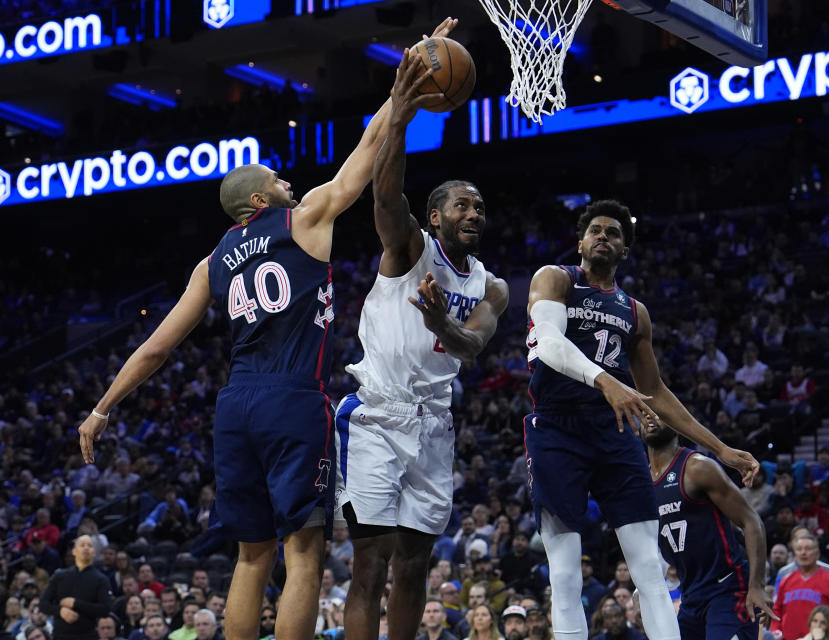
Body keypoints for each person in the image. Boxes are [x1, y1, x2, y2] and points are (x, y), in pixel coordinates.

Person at [73, 19, 460, 640]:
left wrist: (102, 408)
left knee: (250, 556)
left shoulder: (210, 262)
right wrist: (403, 90)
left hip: (235, 408)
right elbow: (366, 151)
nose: (289, 183)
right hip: (291, 401)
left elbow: (155, 348)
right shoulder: (301, 219)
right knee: (303, 553)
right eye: (278, 180)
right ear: (259, 202)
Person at [334, 35, 509, 640]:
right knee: (370, 564)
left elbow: (472, 347)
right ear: (435, 217)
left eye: (480, 207)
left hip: (435, 423)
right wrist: (400, 118)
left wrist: (441, 324)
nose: (473, 213)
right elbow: (384, 195)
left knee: (413, 567)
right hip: (378, 416)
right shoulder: (410, 248)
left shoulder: (493, 287)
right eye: (462, 205)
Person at [523, 199, 758, 640]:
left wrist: (721, 448)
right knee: (566, 570)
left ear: (624, 251)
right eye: (595, 230)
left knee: (649, 566)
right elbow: (550, 343)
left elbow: (656, 393)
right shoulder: (556, 279)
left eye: (613, 233)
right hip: (556, 428)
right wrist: (605, 382)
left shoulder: (635, 312)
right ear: (580, 241)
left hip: (612, 432)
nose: (603, 237)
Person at [641, 421, 775, 640]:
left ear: (675, 420)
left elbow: (751, 521)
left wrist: (757, 585)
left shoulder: (697, 467)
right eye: (643, 412)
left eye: (657, 410)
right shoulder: (642, 482)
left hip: (728, 588)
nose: (650, 417)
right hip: (690, 593)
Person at [771, 535, 829, 640]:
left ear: (817, 554)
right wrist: (775, 630)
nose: (803, 553)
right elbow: (776, 610)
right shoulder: (786, 581)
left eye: (808, 549)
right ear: (795, 554)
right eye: (799, 549)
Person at [38, 535, 114, 640]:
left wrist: (76, 603)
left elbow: (106, 609)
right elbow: (43, 604)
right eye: (82, 545)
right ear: (74, 551)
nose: (86, 548)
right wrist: (60, 611)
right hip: (60, 636)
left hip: (87, 636)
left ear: (94, 552)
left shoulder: (101, 579)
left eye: (90, 546)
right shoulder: (60, 576)